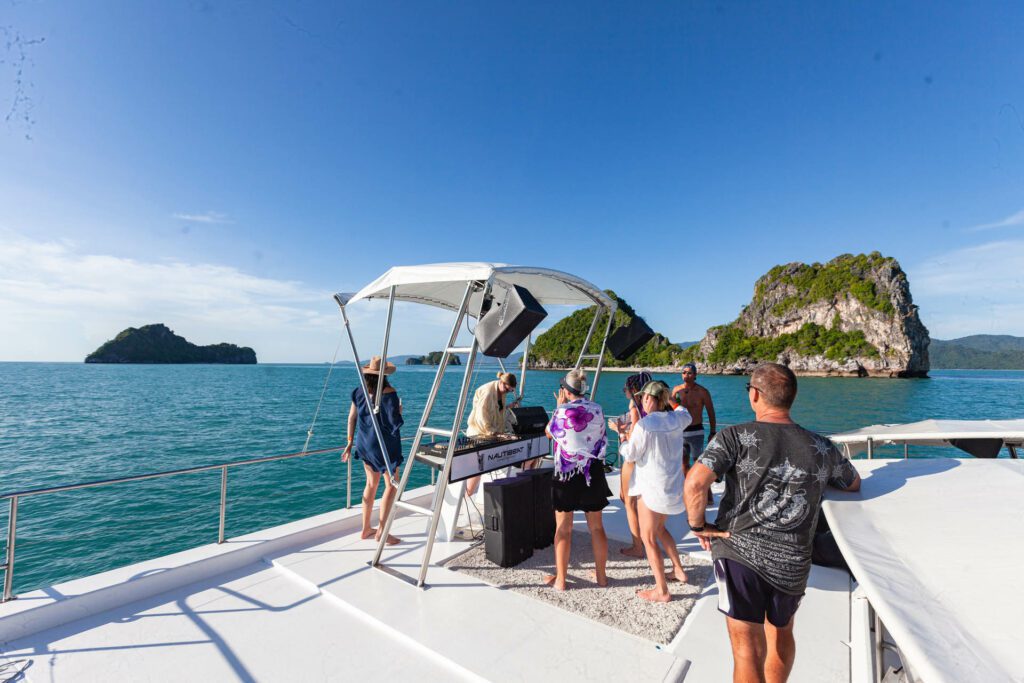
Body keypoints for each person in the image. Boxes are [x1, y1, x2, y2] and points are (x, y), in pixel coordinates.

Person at [684, 363, 861, 683]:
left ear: (755, 395)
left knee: (746, 648)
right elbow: (852, 482)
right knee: (781, 631)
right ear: (790, 398)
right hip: (793, 560)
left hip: (739, 552)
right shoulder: (821, 446)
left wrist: (699, 526)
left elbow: (695, 484)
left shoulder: (734, 437)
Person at [619, 380, 692, 602]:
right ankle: (678, 570)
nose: (642, 401)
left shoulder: (644, 425)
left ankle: (662, 590)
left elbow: (631, 455)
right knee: (660, 530)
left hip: (651, 489)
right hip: (672, 487)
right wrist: (671, 399)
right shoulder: (678, 419)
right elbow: (685, 412)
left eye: (643, 397)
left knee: (648, 537)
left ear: (649, 399)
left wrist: (623, 440)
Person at [543, 369, 612, 591]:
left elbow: (549, 432)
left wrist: (558, 406)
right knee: (597, 528)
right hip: (592, 471)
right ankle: (601, 577)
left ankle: (561, 580)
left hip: (567, 472)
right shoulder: (598, 409)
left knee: (563, 528)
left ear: (565, 390)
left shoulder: (562, 411)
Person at [342, 356, 405, 545]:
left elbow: (351, 418)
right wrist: (399, 411)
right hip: (384, 445)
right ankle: (382, 532)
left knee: (371, 484)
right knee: (392, 485)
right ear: (384, 374)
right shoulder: (389, 393)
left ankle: (366, 529)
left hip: (364, 443)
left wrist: (349, 442)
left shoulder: (359, 391)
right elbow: (394, 423)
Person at [610, 371, 652, 558]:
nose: (624, 392)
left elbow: (633, 439)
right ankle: (646, 539)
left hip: (632, 459)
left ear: (633, 389)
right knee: (636, 500)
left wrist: (619, 430)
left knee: (628, 501)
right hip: (646, 459)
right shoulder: (651, 408)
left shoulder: (635, 408)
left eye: (625, 389)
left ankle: (638, 545)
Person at [465, 372, 519, 495]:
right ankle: (468, 495)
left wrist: (508, 407)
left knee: (486, 465)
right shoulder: (488, 392)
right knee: (477, 468)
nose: (507, 392)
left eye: (510, 391)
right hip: (479, 433)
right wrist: (496, 434)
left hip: (491, 434)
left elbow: (496, 411)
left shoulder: (501, 391)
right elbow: (482, 418)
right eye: (507, 389)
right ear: (501, 382)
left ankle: (486, 494)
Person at [671, 363, 717, 475]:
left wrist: (712, 432)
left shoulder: (703, 392)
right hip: (680, 431)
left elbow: (711, 412)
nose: (686, 375)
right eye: (684, 372)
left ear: (695, 375)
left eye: (689, 373)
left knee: (698, 463)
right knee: (683, 462)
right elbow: (671, 411)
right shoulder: (676, 390)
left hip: (696, 431)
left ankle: (700, 484)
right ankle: (686, 484)